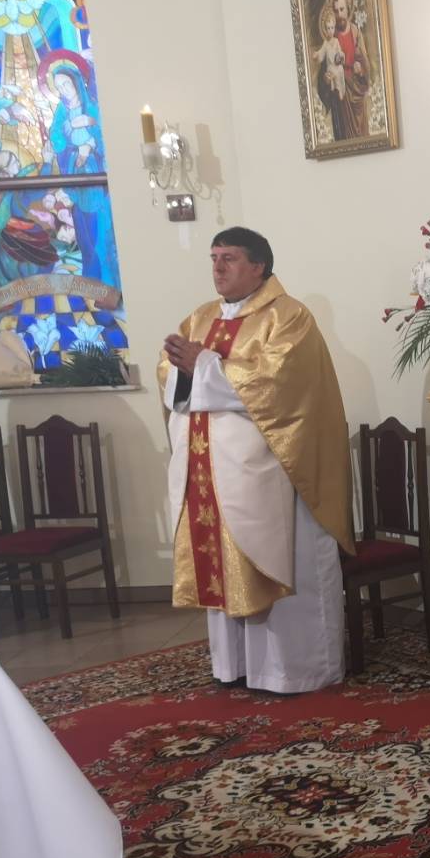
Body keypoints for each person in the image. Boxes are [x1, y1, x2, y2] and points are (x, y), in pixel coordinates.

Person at [158, 227, 354, 693]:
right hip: (210, 468)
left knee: (285, 560)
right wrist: (181, 369)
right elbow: (171, 372)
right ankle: (236, 666)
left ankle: (295, 671)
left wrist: (205, 366)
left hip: (275, 472)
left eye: (228, 258)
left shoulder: (289, 317)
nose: (218, 268)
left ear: (258, 266)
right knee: (221, 563)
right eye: (213, 258)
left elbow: (281, 383)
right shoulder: (200, 318)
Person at [314, 0, 370, 142]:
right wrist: (326, 79)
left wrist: (361, 69)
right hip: (341, 97)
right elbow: (324, 72)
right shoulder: (331, 39)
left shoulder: (355, 33)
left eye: (342, 9)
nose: (339, 15)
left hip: (357, 94)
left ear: (349, 8)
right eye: (336, 11)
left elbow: (365, 65)